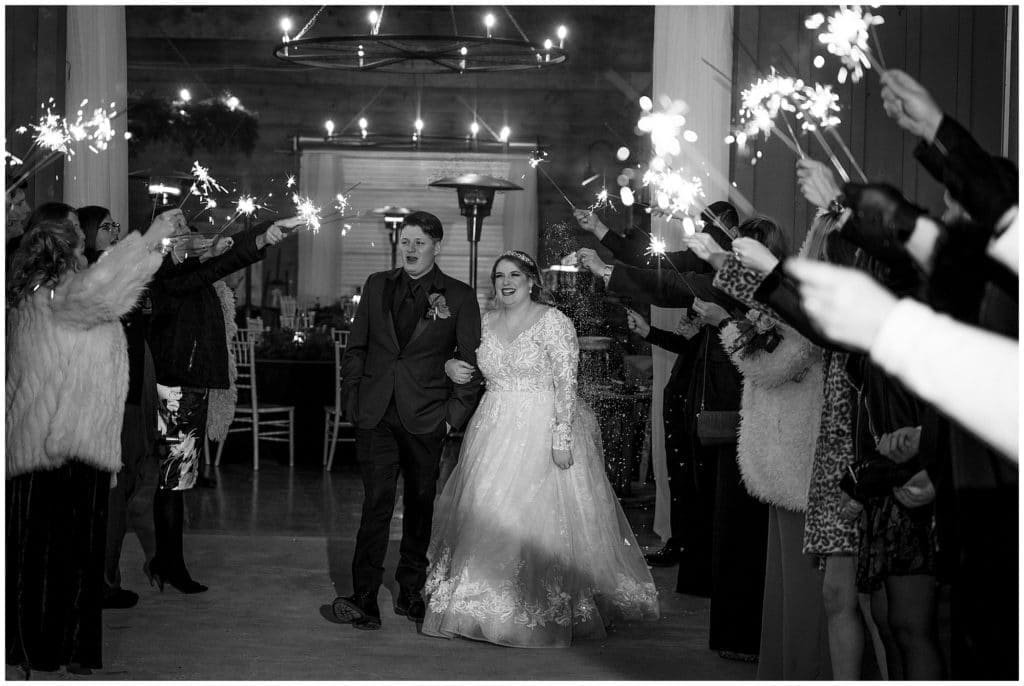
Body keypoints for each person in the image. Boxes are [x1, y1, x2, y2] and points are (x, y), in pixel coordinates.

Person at [425, 250, 659, 647]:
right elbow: (462, 359)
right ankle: (482, 601)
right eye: (499, 275)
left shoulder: (554, 322)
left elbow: (567, 382)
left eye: (514, 274)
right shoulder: (483, 322)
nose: (506, 281)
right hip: (493, 424)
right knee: (489, 507)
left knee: (534, 515)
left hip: (541, 424)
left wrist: (562, 437)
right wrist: (451, 366)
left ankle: (534, 606)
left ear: (532, 279)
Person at [6, 211, 178, 677]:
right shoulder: (58, 292)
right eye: (79, 237)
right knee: (59, 560)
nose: (87, 245)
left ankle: (46, 651)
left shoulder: (39, 290)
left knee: (53, 558)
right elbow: (105, 291)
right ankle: (47, 653)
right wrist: (153, 239)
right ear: (62, 244)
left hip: (59, 442)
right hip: (60, 447)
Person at [331, 211, 483, 631]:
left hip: (426, 418)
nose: (411, 248)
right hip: (375, 416)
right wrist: (353, 401)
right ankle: (364, 597)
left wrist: (451, 419)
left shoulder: (459, 295)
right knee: (375, 505)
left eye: (420, 241)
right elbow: (357, 347)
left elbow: (471, 363)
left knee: (419, 508)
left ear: (437, 245)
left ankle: (411, 591)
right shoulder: (377, 285)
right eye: (407, 241)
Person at [574, 202, 739, 568]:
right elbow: (654, 262)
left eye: (711, 227)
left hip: (713, 391)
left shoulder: (732, 274)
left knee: (700, 475)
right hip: (687, 384)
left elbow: (665, 283)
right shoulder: (703, 260)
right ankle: (685, 546)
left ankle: (701, 556)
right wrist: (601, 228)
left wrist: (606, 271)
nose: (702, 234)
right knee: (682, 472)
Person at [146, 214, 300, 594]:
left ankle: (166, 561)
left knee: (178, 480)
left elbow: (223, 258)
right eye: (177, 225)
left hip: (189, 384)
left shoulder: (188, 266)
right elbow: (216, 267)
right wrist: (255, 242)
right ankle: (169, 565)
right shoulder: (163, 273)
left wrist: (264, 232)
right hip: (176, 386)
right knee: (174, 481)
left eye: (186, 222)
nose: (187, 228)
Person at [79, 205, 158, 610]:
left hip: (128, 393)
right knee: (111, 493)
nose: (114, 231)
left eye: (115, 225)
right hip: (110, 398)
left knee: (122, 487)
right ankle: (103, 582)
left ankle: (107, 576)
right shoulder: (90, 277)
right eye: (106, 226)